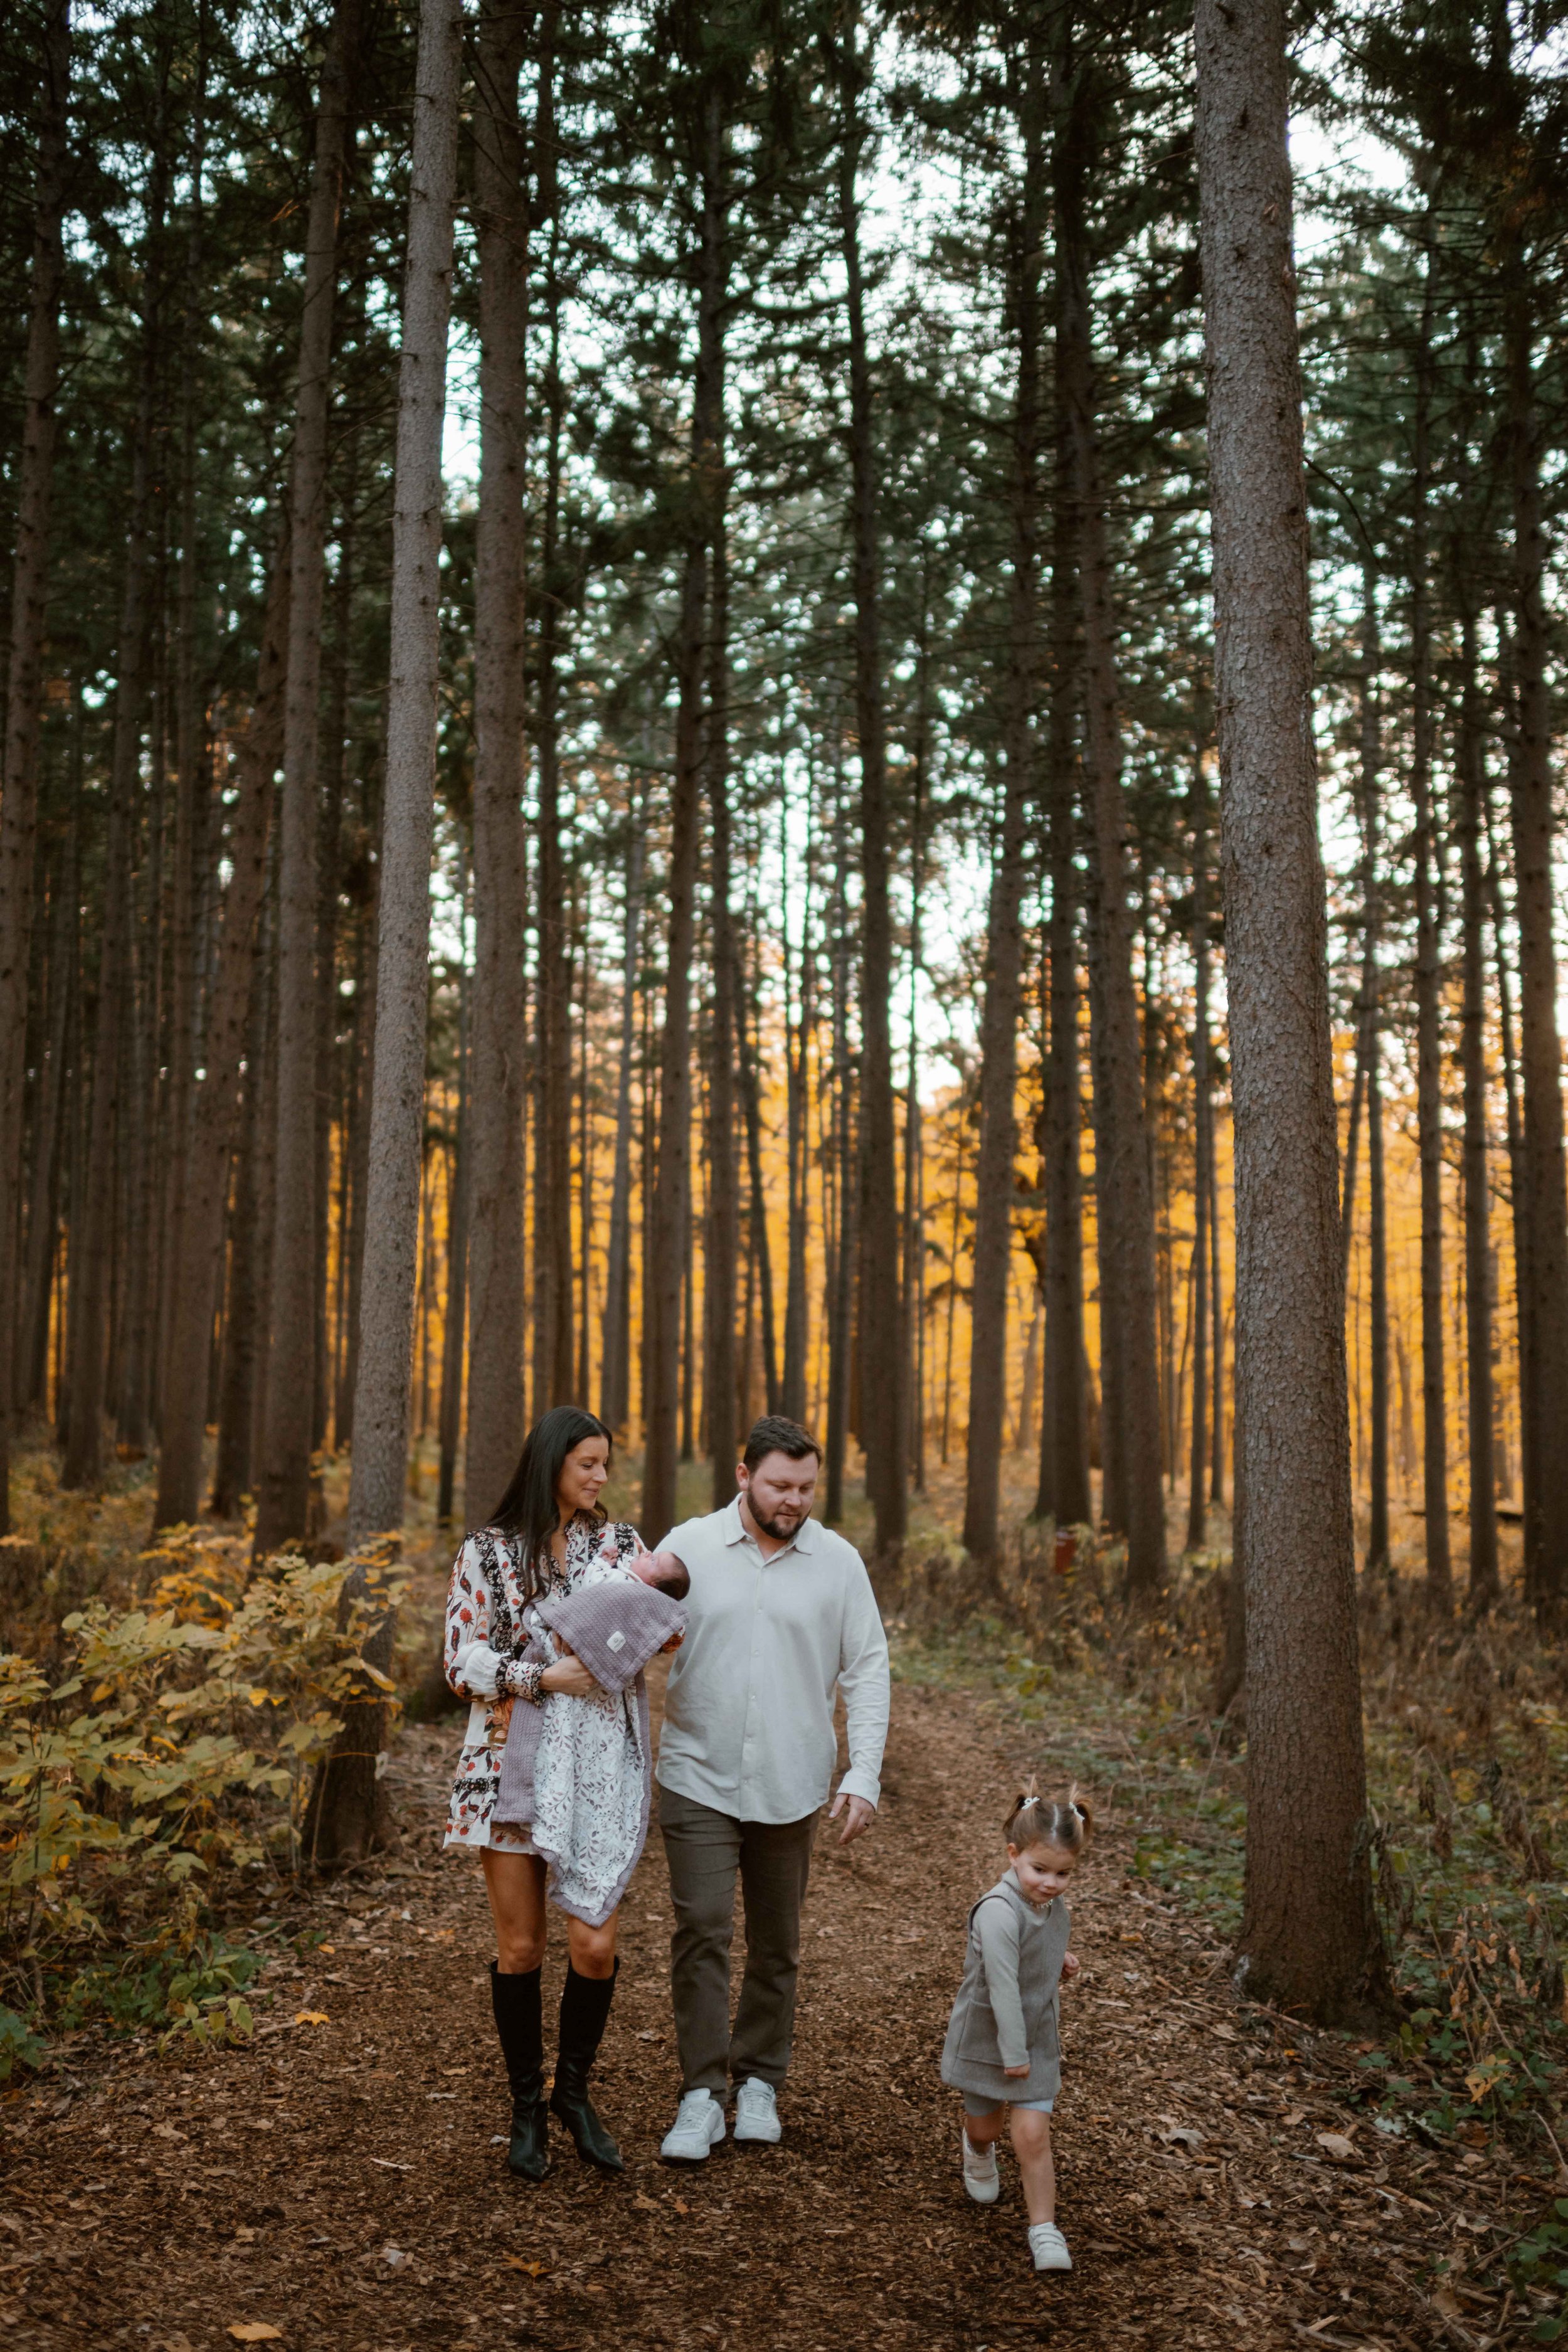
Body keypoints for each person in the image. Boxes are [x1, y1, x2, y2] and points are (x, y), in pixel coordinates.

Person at [652, 1413, 891, 2164]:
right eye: (780, 1485)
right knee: (703, 1928)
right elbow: (621, 1636)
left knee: (777, 1944)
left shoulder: (838, 1562)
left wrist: (863, 1774)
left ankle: (758, 2080)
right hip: (696, 1772)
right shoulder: (686, 1547)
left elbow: (869, 1667)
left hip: (791, 1779)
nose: (793, 1501)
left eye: (806, 1488)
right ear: (743, 1475)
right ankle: (700, 2092)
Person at [442, 1405, 660, 2182]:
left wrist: (653, 1632)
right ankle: (525, 2107)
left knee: (594, 1945)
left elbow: (661, 1623)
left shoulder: (622, 1544)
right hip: (505, 1768)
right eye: (587, 1464)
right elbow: (456, 1663)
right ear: (550, 1465)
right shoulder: (488, 1552)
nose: (601, 1478)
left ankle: (575, 2093)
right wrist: (539, 1676)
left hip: (599, 1767)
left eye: (605, 1464)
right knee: (521, 1947)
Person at [940, 1788, 1089, 2274]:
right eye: (1040, 1870)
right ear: (1013, 1855)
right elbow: (1002, 1985)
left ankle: (1044, 2231)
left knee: (1031, 2137)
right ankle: (977, 2151)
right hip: (992, 2037)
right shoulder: (999, 1911)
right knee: (987, 2126)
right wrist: (1012, 2052)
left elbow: (1036, 1948)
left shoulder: (1049, 1905)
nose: (1050, 1883)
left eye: (1063, 1873)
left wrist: (1056, 1961)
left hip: (1036, 2036)